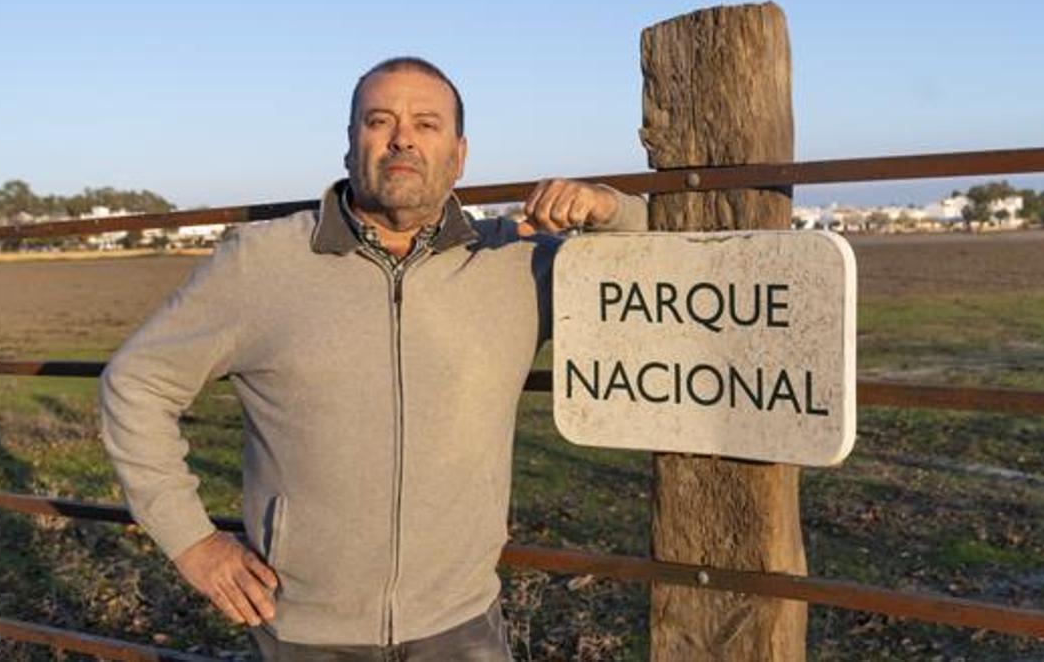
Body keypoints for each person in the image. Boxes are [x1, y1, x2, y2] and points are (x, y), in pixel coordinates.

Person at [99, 56, 647, 660]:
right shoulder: (262, 263)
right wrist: (192, 542)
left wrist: (610, 209)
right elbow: (136, 385)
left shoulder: (517, 264)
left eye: (426, 124)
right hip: (303, 632)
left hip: (461, 625)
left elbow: (678, 267)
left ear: (460, 154)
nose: (402, 137)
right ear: (350, 145)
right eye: (378, 120)